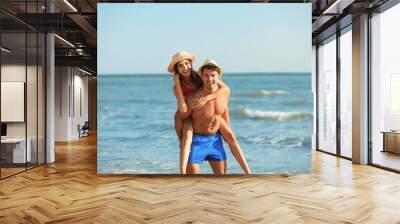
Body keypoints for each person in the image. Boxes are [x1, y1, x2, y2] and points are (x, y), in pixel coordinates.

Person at [180, 59, 251, 174]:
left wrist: (228, 132)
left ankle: (249, 173)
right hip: (197, 142)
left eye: (213, 75)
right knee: (192, 183)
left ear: (218, 76)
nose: (210, 79)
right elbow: (183, 117)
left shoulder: (225, 93)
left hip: (215, 141)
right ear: (201, 77)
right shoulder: (194, 98)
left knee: (221, 180)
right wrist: (184, 136)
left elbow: (223, 112)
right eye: (206, 75)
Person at [167, 51, 230, 174]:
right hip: (187, 117)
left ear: (191, 64)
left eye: (186, 63)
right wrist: (178, 85)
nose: (185, 68)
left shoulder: (201, 76)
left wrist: (207, 98)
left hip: (204, 114)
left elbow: (225, 89)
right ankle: (182, 173)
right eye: (180, 66)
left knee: (229, 136)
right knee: (186, 140)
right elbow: (183, 109)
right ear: (177, 70)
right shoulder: (177, 88)